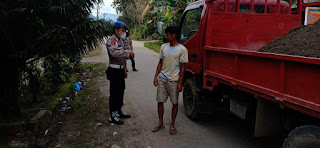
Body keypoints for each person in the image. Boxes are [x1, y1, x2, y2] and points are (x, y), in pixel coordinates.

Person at [152, 26, 188, 135]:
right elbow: (160, 63)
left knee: (175, 103)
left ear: (174, 35)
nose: (166, 36)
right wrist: (155, 76)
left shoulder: (182, 49)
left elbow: (183, 68)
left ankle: (172, 123)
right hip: (162, 78)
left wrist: (180, 83)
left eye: (168, 34)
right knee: (160, 101)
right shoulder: (163, 47)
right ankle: (160, 123)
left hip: (174, 81)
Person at [106, 21, 134, 125]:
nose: (124, 33)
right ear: (116, 30)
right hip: (114, 70)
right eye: (122, 31)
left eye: (125, 31)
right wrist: (128, 53)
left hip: (121, 70)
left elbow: (126, 54)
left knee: (121, 91)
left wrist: (125, 70)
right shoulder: (112, 41)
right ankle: (113, 115)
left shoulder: (121, 40)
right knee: (114, 93)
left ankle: (119, 110)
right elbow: (114, 53)